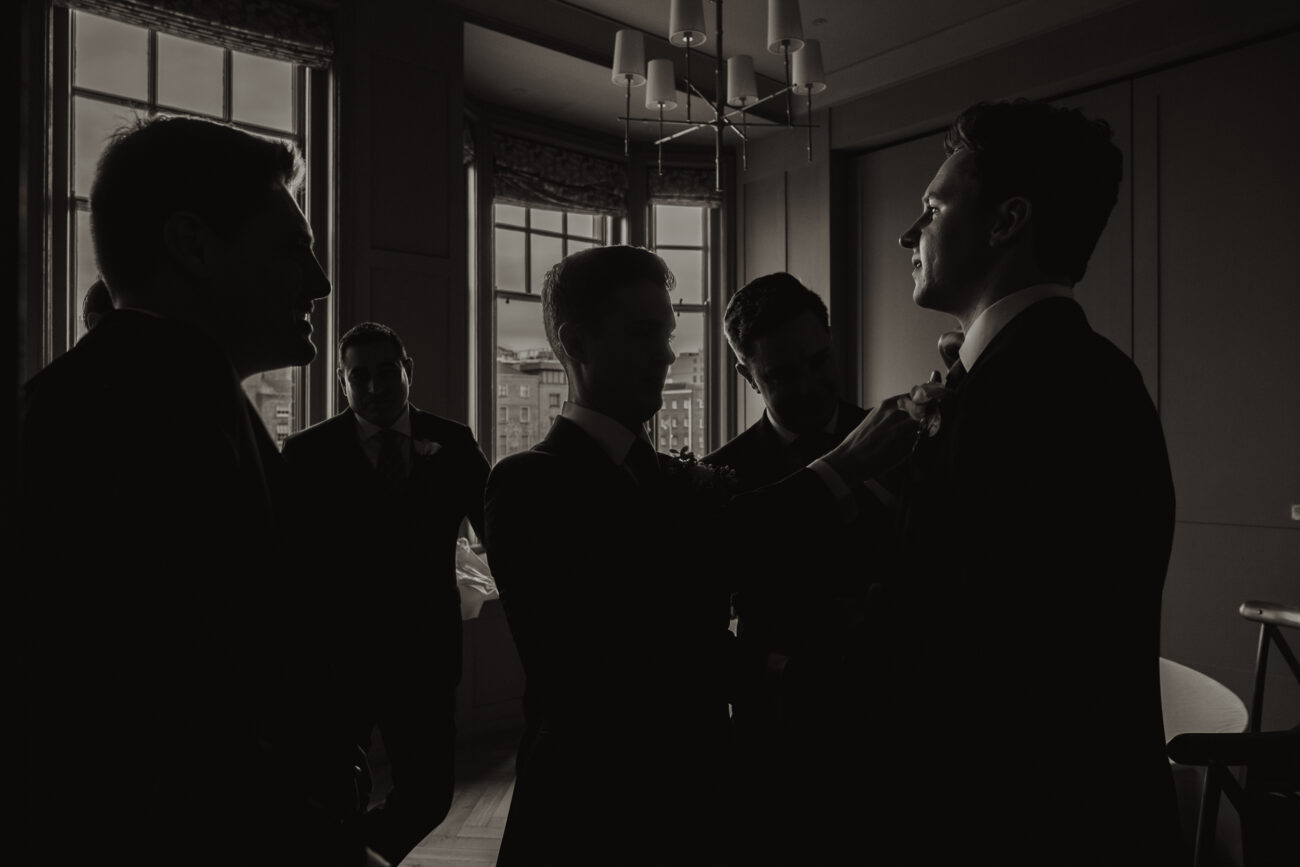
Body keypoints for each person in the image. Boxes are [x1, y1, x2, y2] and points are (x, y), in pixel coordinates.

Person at [482, 246, 918, 865]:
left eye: (667, 334)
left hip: (707, 800)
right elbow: (649, 595)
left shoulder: (672, 479)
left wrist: (798, 666)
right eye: (644, 333)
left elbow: (702, 625)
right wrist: (840, 469)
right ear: (576, 343)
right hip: (593, 813)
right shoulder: (529, 483)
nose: (665, 354)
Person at [18, 115, 365, 866]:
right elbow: (166, 725)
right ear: (193, 245)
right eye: (292, 248)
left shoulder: (135, 398)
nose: (320, 281)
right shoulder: (137, 421)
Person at [859, 99, 1182, 863]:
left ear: (1007, 222)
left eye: (933, 206)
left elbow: (977, 654)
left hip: (1031, 820)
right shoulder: (1068, 374)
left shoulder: (1040, 391)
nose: (910, 233)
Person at [282, 321, 490, 866]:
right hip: (332, 661)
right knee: (328, 796)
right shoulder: (305, 453)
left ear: (408, 371)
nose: (374, 387)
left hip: (424, 654)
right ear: (342, 382)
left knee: (429, 796)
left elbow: (502, 532)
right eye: (360, 376)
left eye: (386, 372)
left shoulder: (454, 442)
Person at [702, 271, 886, 862]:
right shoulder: (717, 479)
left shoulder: (899, 440)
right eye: (781, 374)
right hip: (777, 733)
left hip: (894, 723)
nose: (810, 385)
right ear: (745, 375)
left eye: (819, 360)